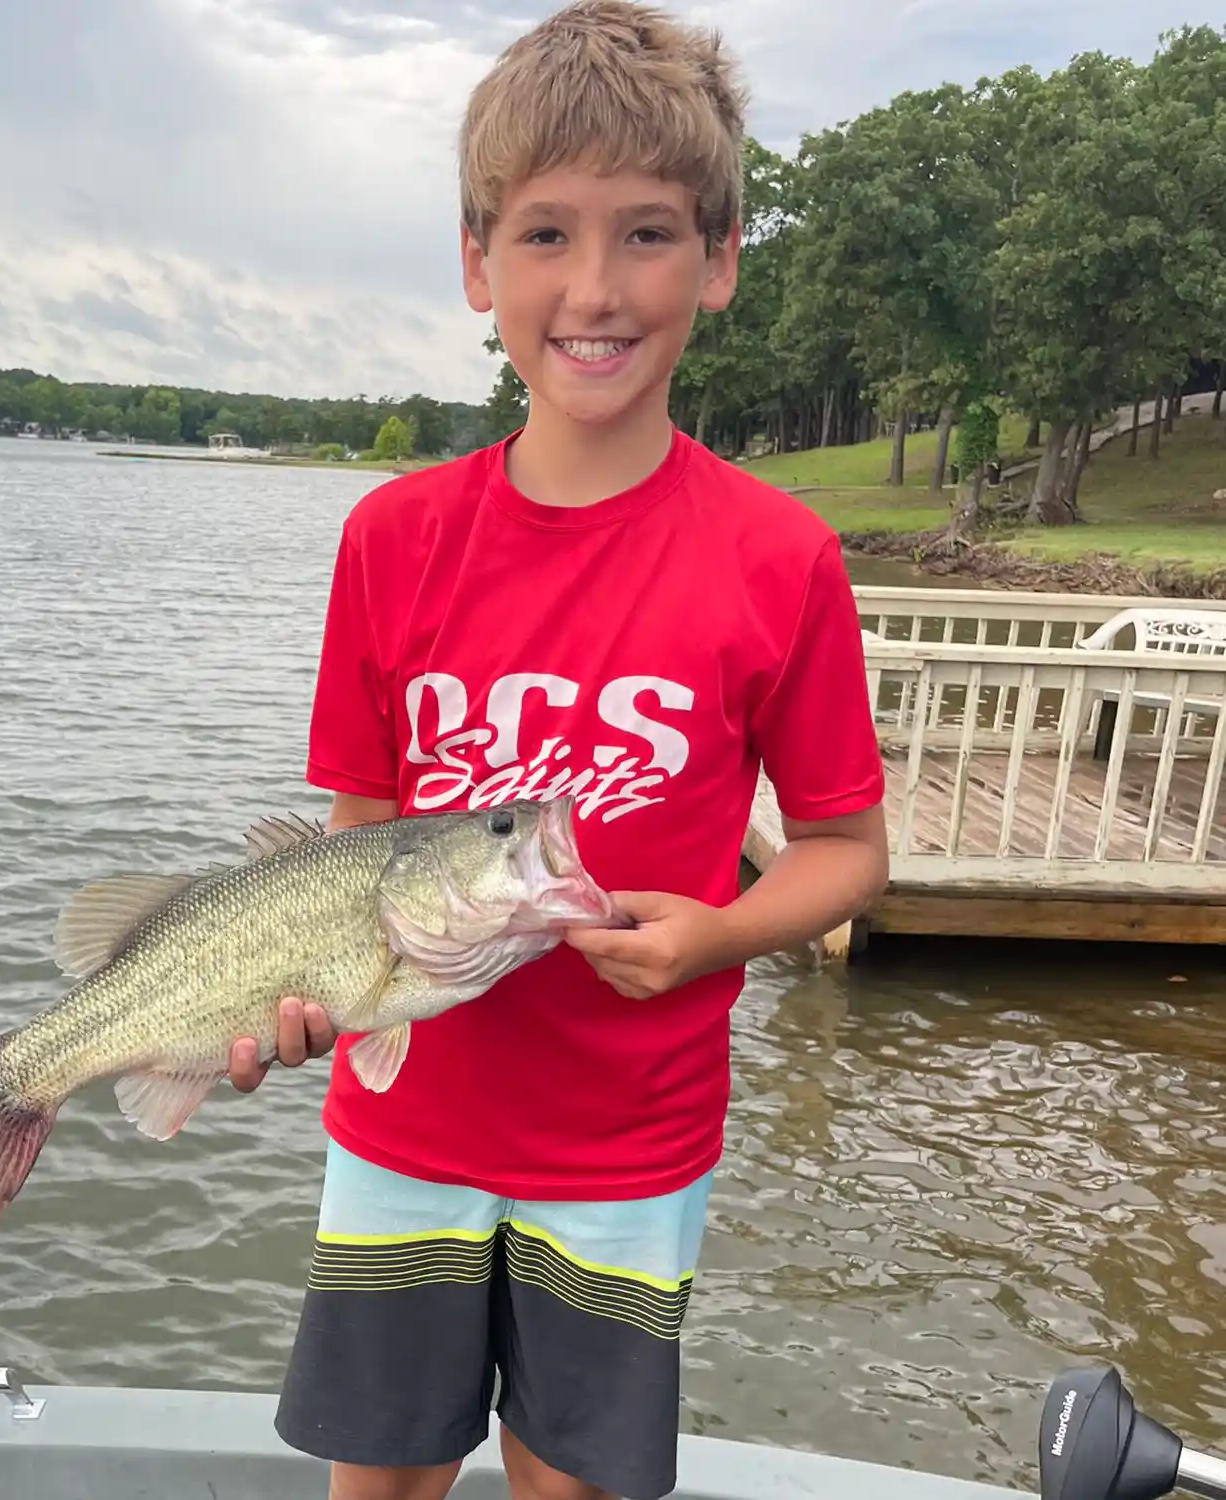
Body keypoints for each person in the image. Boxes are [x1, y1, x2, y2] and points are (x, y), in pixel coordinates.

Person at [227, 4, 889, 1498]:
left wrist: (721, 931)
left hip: (629, 1149)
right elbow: (360, 832)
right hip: (406, 1126)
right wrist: (297, 994)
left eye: (648, 233)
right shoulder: (392, 538)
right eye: (544, 236)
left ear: (719, 261)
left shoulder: (780, 559)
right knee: (381, 1474)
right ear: (477, 262)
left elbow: (852, 855)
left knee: (570, 1481)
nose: (595, 287)